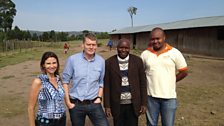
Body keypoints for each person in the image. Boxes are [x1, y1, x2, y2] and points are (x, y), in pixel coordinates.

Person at [140, 27, 188, 126]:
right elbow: (141, 73)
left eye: (158, 38)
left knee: (168, 124)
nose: (155, 41)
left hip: (169, 98)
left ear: (164, 37)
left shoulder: (174, 52)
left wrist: (172, 80)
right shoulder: (145, 54)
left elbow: (184, 72)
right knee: (151, 124)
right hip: (150, 97)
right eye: (153, 39)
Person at [62, 33, 109, 126]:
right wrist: (68, 102)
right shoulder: (73, 60)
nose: (91, 47)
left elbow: (101, 81)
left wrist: (99, 97)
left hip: (94, 103)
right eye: (88, 44)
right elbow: (65, 81)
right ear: (83, 45)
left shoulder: (101, 61)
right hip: (76, 104)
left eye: (93, 45)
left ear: (96, 45)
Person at [104, 38, 147, 126]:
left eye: (126, 48)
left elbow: (143, 83)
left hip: (133, 104)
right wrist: (107, 106)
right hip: (117, 104)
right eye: (121, 47)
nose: (123, 50)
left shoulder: (137, 61)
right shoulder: (109, 62)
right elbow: (107, 85)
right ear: (117, 47)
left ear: (129, 48)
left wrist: (144, 103)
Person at [28, 51, 66, 126]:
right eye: (48, 63)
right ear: (43, 65)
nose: (52, 66)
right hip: (46, 122)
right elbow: (30, 107)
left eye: (54, 63)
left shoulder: (58, 79)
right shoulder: (38, 81)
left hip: (61, 120)